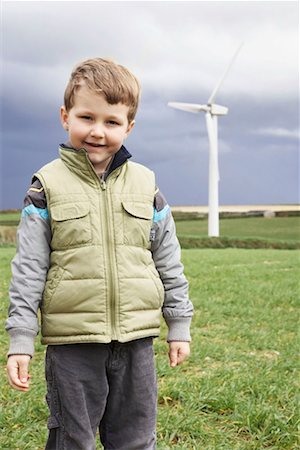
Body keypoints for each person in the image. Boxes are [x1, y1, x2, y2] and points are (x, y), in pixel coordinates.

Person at [6, 58, 193, 450]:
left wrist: (179, 323)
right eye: (86, 117)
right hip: (72, 345)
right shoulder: (46, 186)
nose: (97, 131)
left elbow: (168, 260)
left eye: (111, 122)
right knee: (72, 440)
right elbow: (28, 269)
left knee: (137, 439)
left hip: (137, 341)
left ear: (129, 127)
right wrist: (21, 339)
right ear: (65, 116)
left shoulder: (147, 185)